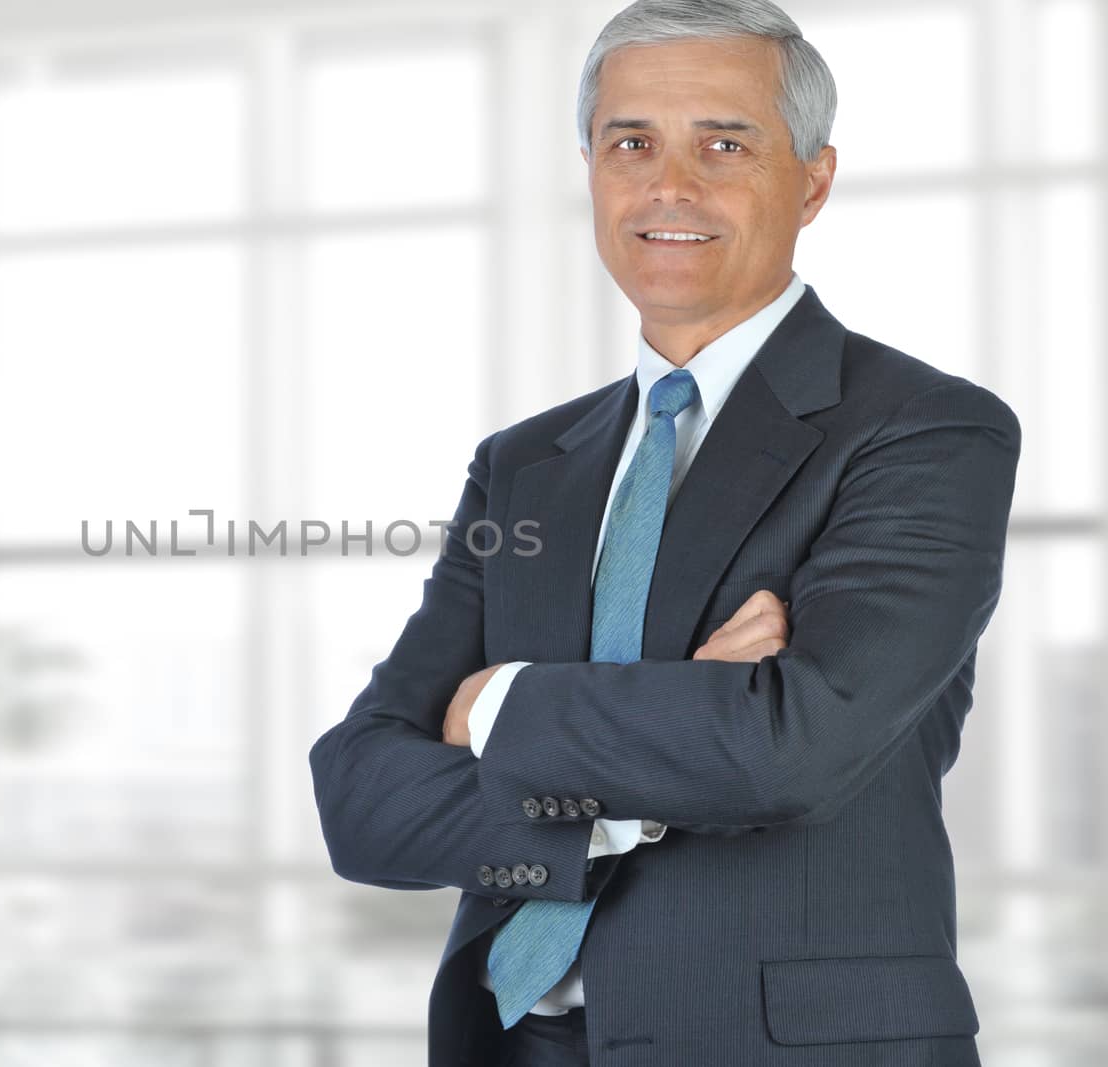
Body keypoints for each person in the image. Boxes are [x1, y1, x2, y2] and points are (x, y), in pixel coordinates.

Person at [307, 1, 1021, 1065]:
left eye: (722, 144)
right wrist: (659, 746)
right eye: (630, 143)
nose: (668, 187)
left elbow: (789, 749)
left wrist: (495, 701)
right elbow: (360, 794)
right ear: (589, 167)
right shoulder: (523, 463)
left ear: (813, 179)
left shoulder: (925, 429)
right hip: (512, 1037)